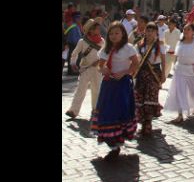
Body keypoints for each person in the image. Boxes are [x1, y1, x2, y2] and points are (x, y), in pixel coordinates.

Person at [90, 22, 139, 161]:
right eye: (111, 33)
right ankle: (113, 144)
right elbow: (100, 66)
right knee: (106, 112)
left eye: (117, 33)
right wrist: (103, 69)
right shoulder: (106, 49)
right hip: (108, 85)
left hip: (122, 85)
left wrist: (124, 72)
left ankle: (118, 140)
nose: (114, 36)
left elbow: (135, 64)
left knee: (119, 112)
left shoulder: (128, 48)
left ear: (123, 33)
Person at [165, 23, 194, 124]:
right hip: (180, 70)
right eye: (184, 29)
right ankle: (180, 114)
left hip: (193, 70)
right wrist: (175, 67)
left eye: (188, 29)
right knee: (179, 91)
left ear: (193, 31)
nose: (185, 31)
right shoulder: (180, 43)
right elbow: (177, 56)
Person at [66, 19, 104, 119]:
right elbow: (74, 54)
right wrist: (73, 63)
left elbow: (105, 54)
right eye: (95, 28)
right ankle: (73, 111)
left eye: (98, 28)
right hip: (85, 69)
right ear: (90, 30)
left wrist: (100, 61)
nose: (98, 30)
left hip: (97, 70)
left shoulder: (102, 41)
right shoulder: (82, 41)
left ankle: (95, 110)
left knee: (96, 90)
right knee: (80, 90)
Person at [134, 22, 166, 137]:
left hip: (154, 74)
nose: (150, 33)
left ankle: (148, 124)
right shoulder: (139, 45)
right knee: (141, 99)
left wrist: (163, 74)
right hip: (142, 74)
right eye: (148, 30)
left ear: (156, 32)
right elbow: (136, 59)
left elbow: (163, 60)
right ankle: (143, 124)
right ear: (145, 31)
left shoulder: (160, 45)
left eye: (152, 30)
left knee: (150, 98)